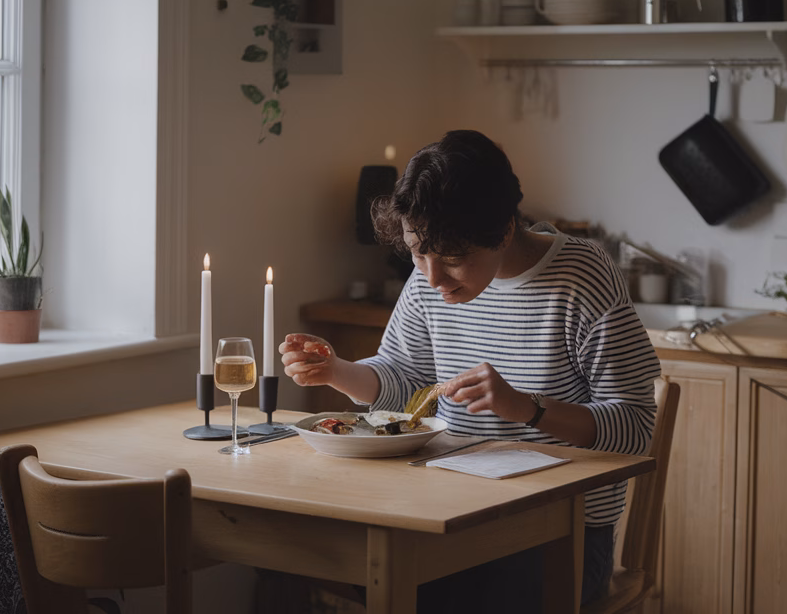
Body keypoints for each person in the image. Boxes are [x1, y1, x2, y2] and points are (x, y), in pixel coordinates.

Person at [279, 129, 660, 612]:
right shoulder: (429, 277)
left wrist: (526, 408)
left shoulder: (581, 277)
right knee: (354, 569)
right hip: (454, 509)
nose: (433, 278)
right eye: (419, 254)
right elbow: (404, 380)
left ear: (503, 230)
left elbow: (634, 430)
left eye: (454, 260)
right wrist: (337, 370)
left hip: (561, 530)